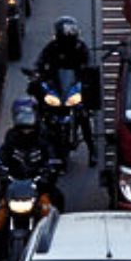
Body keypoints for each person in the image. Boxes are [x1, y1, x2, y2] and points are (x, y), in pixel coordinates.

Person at [0, 99, 61, 261]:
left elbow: (53, 155)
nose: (26, 131)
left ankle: (55, 260)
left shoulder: (44, 138)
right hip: (14, 189)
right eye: (23, 127)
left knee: (51, 218)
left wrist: (50, 170)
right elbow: (1, 155)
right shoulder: (11, 138)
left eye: (29, 127)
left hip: (38, 189)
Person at [33, 16, 98, 165]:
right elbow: (40, 61)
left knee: (83, 114)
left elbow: (90, 61)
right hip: (56, 86)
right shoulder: (52, 47)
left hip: (74, 86)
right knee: (41, 109)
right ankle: (40, 147)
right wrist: (37, 72)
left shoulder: (80, 48)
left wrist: (88, 72)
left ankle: (92, 149)